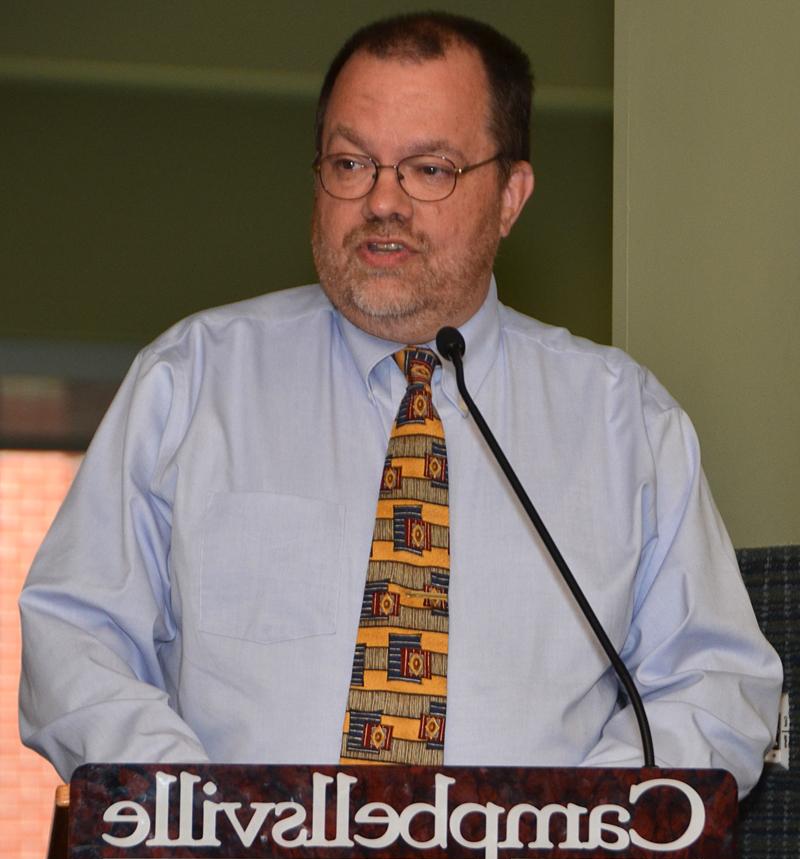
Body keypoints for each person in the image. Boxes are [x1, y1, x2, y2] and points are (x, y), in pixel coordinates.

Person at [19, 12, 781, 795]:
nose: (383, 201)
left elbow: (717, 684)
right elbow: (77, 638)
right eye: (352, 163)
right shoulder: (191, 381)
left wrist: (566, 830)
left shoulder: (626, 423)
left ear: (511, 196)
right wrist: (207, 821)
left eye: (429, 169)